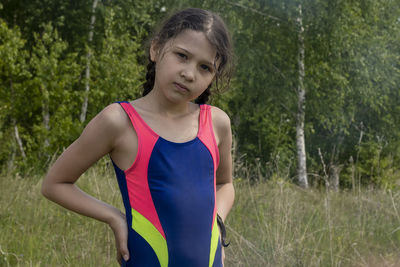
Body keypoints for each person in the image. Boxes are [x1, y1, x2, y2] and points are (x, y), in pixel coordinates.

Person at [42, 7, 235, 267]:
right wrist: (114, 217)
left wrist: (218, 225)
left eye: (205, 67)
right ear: (156, 49)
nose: (189, 74)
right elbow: (55, 183)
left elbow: (224, 184)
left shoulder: (217, 123)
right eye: (182, 56)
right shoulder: (119, 121)